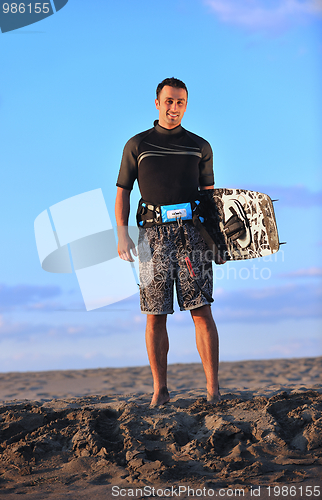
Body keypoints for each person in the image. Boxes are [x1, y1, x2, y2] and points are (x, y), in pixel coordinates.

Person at [115, 77, 224, 406]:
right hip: (151, 236)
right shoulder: (137, 145)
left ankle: (213, 390)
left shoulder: (200, 146)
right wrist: (122, 232)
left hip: (192, 233)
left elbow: (209, 197)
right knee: (154, 313)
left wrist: (217, 240)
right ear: (157, 103)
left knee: (201, 310)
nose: (174, 107)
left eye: (180, 102)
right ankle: (160, 390)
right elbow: (123, 190)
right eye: (169, 101)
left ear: (185, 105)